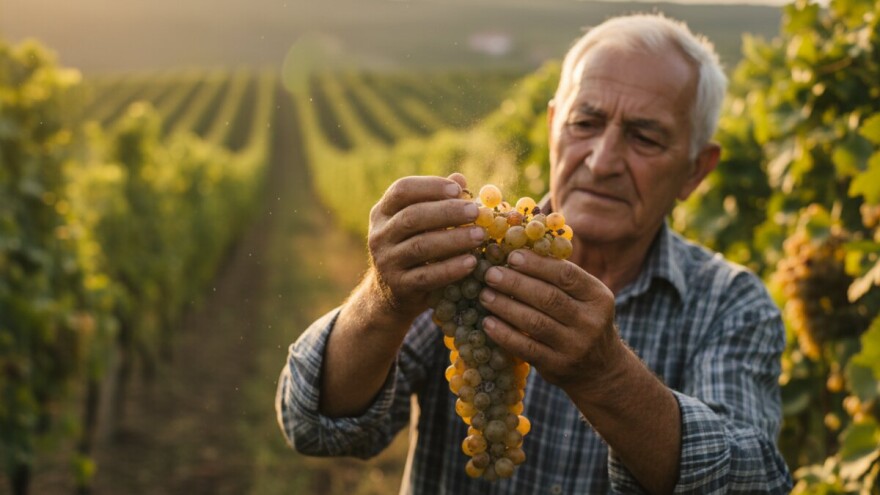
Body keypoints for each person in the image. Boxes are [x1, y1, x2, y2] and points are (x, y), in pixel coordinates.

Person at [276, 13, 793, 494]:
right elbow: (315, 428)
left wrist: (607, 376)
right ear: (551, 127)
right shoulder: (470, 257)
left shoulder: (731, 303)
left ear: (696, 170)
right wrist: (383, 299)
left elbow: (754, 479)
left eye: (645, 137)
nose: (602, 160)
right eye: (584, 123)